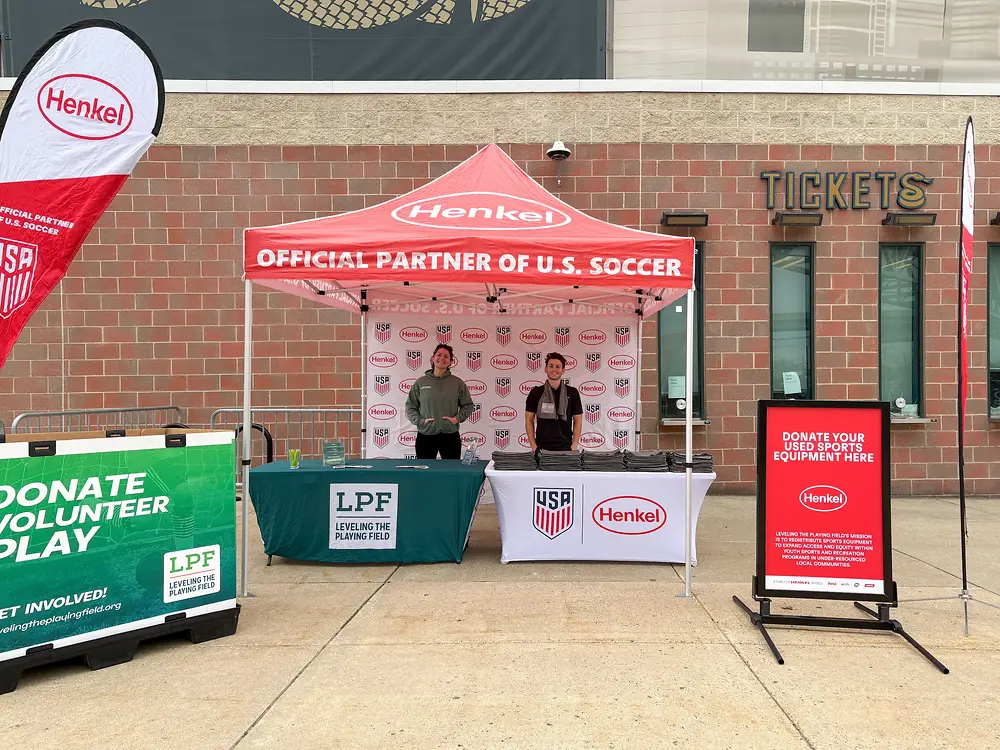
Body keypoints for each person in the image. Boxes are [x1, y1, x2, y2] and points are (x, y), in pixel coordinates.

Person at [405, 343, 475, 459]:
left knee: (452, 473)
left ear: (451, 362)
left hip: (450, 435)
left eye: (446, 356)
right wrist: (420, 421)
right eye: (439, 355)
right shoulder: (420, 382)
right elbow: (410, 406)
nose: (442, 358)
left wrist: (456, 419)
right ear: (433, 358)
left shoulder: (457, 383)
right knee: (424, 473)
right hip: (425, 434)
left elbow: (468, 405)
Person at [524, 352, 583, 452]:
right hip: (542, 448)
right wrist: (534, 446)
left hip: (566, 447)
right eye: (551, 366)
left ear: (563, 370)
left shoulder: (572, 392)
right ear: (545, 369)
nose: (554, 369)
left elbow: (578, 420)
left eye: (558, 366)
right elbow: (529, 420)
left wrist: (574, 445)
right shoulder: (536, 392)